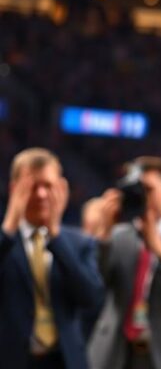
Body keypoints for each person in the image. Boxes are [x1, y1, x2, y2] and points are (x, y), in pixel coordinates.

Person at [88, 156, 161, 369]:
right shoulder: (118, 236)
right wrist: (103, 234)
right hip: (117, 352)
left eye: (148, 189)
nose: (142, 197)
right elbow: (93, 284)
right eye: (136, 189)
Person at [0, 147, 104, 369]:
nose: (41, 195)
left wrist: (55, 235)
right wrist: (9, 224)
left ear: (61, 189)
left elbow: (91, 298)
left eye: (47, 186)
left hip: (65, 360)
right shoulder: (5, 241)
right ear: (13, 189)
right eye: (31, 186)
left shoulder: (79, 243)